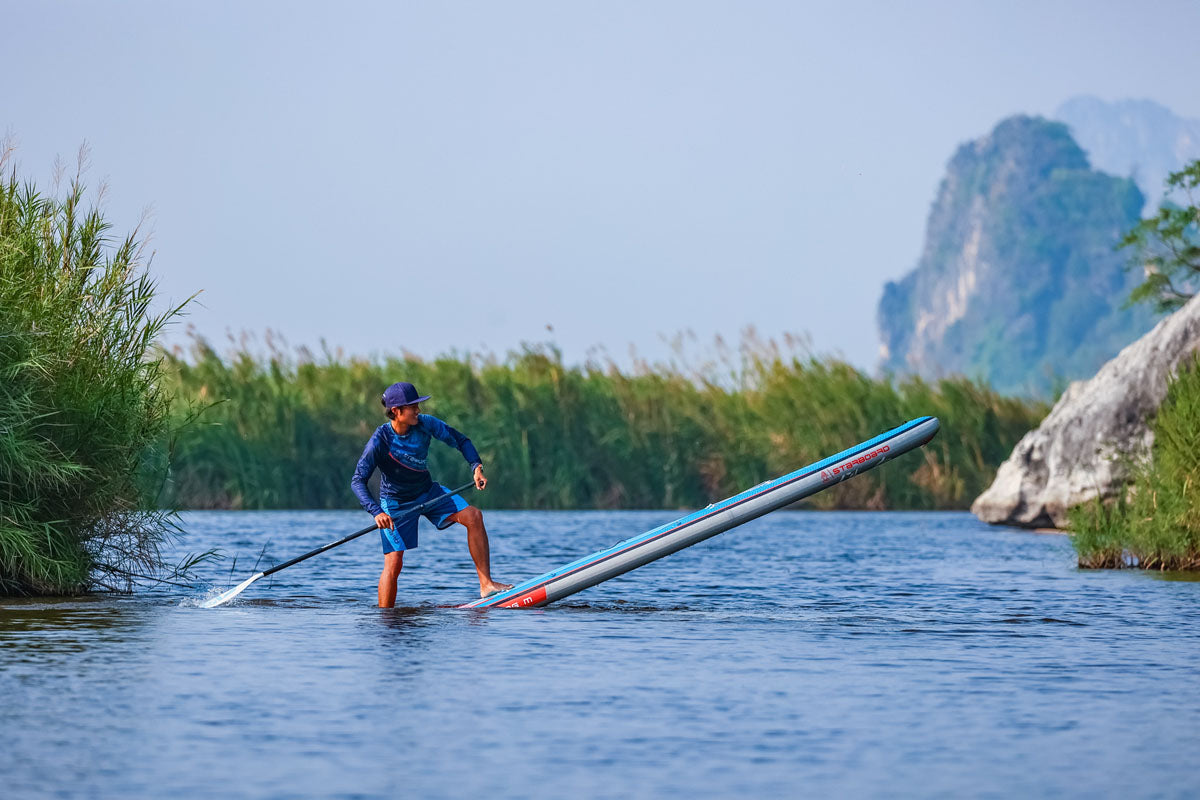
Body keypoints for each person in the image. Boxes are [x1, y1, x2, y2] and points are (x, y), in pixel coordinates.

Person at [351, 381, 512, 607]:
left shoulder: (426, 424)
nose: (418, 410)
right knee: (394, 562)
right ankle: (386, 617)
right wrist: (377, 512)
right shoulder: (380, 441)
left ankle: (486, 584)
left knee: (474, 516)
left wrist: (476, 467)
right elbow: (358, 481)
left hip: (428, 493)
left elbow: (461, 440)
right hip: (396, 503)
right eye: (413, 406)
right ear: (396, 411)